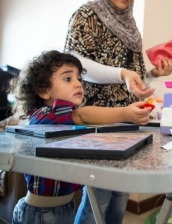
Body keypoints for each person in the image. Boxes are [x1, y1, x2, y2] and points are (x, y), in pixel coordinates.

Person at [64, 0, 172, 223]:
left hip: (128, 121)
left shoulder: (131, 28)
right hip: (98, 120)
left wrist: (152, 74)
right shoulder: (87, 14)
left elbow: (132, 79)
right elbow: (77, 66)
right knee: (98, 200)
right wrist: (123, 74)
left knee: (121, 195)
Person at [9, 50, 151, 224]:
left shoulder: (65, 121)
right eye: (68, 79)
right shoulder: (43, 116)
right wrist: (125, 113)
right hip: (40, 213)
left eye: (79, 79)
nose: (78, 84)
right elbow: (81, 115)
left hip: (64, 207)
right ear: (43, 90)